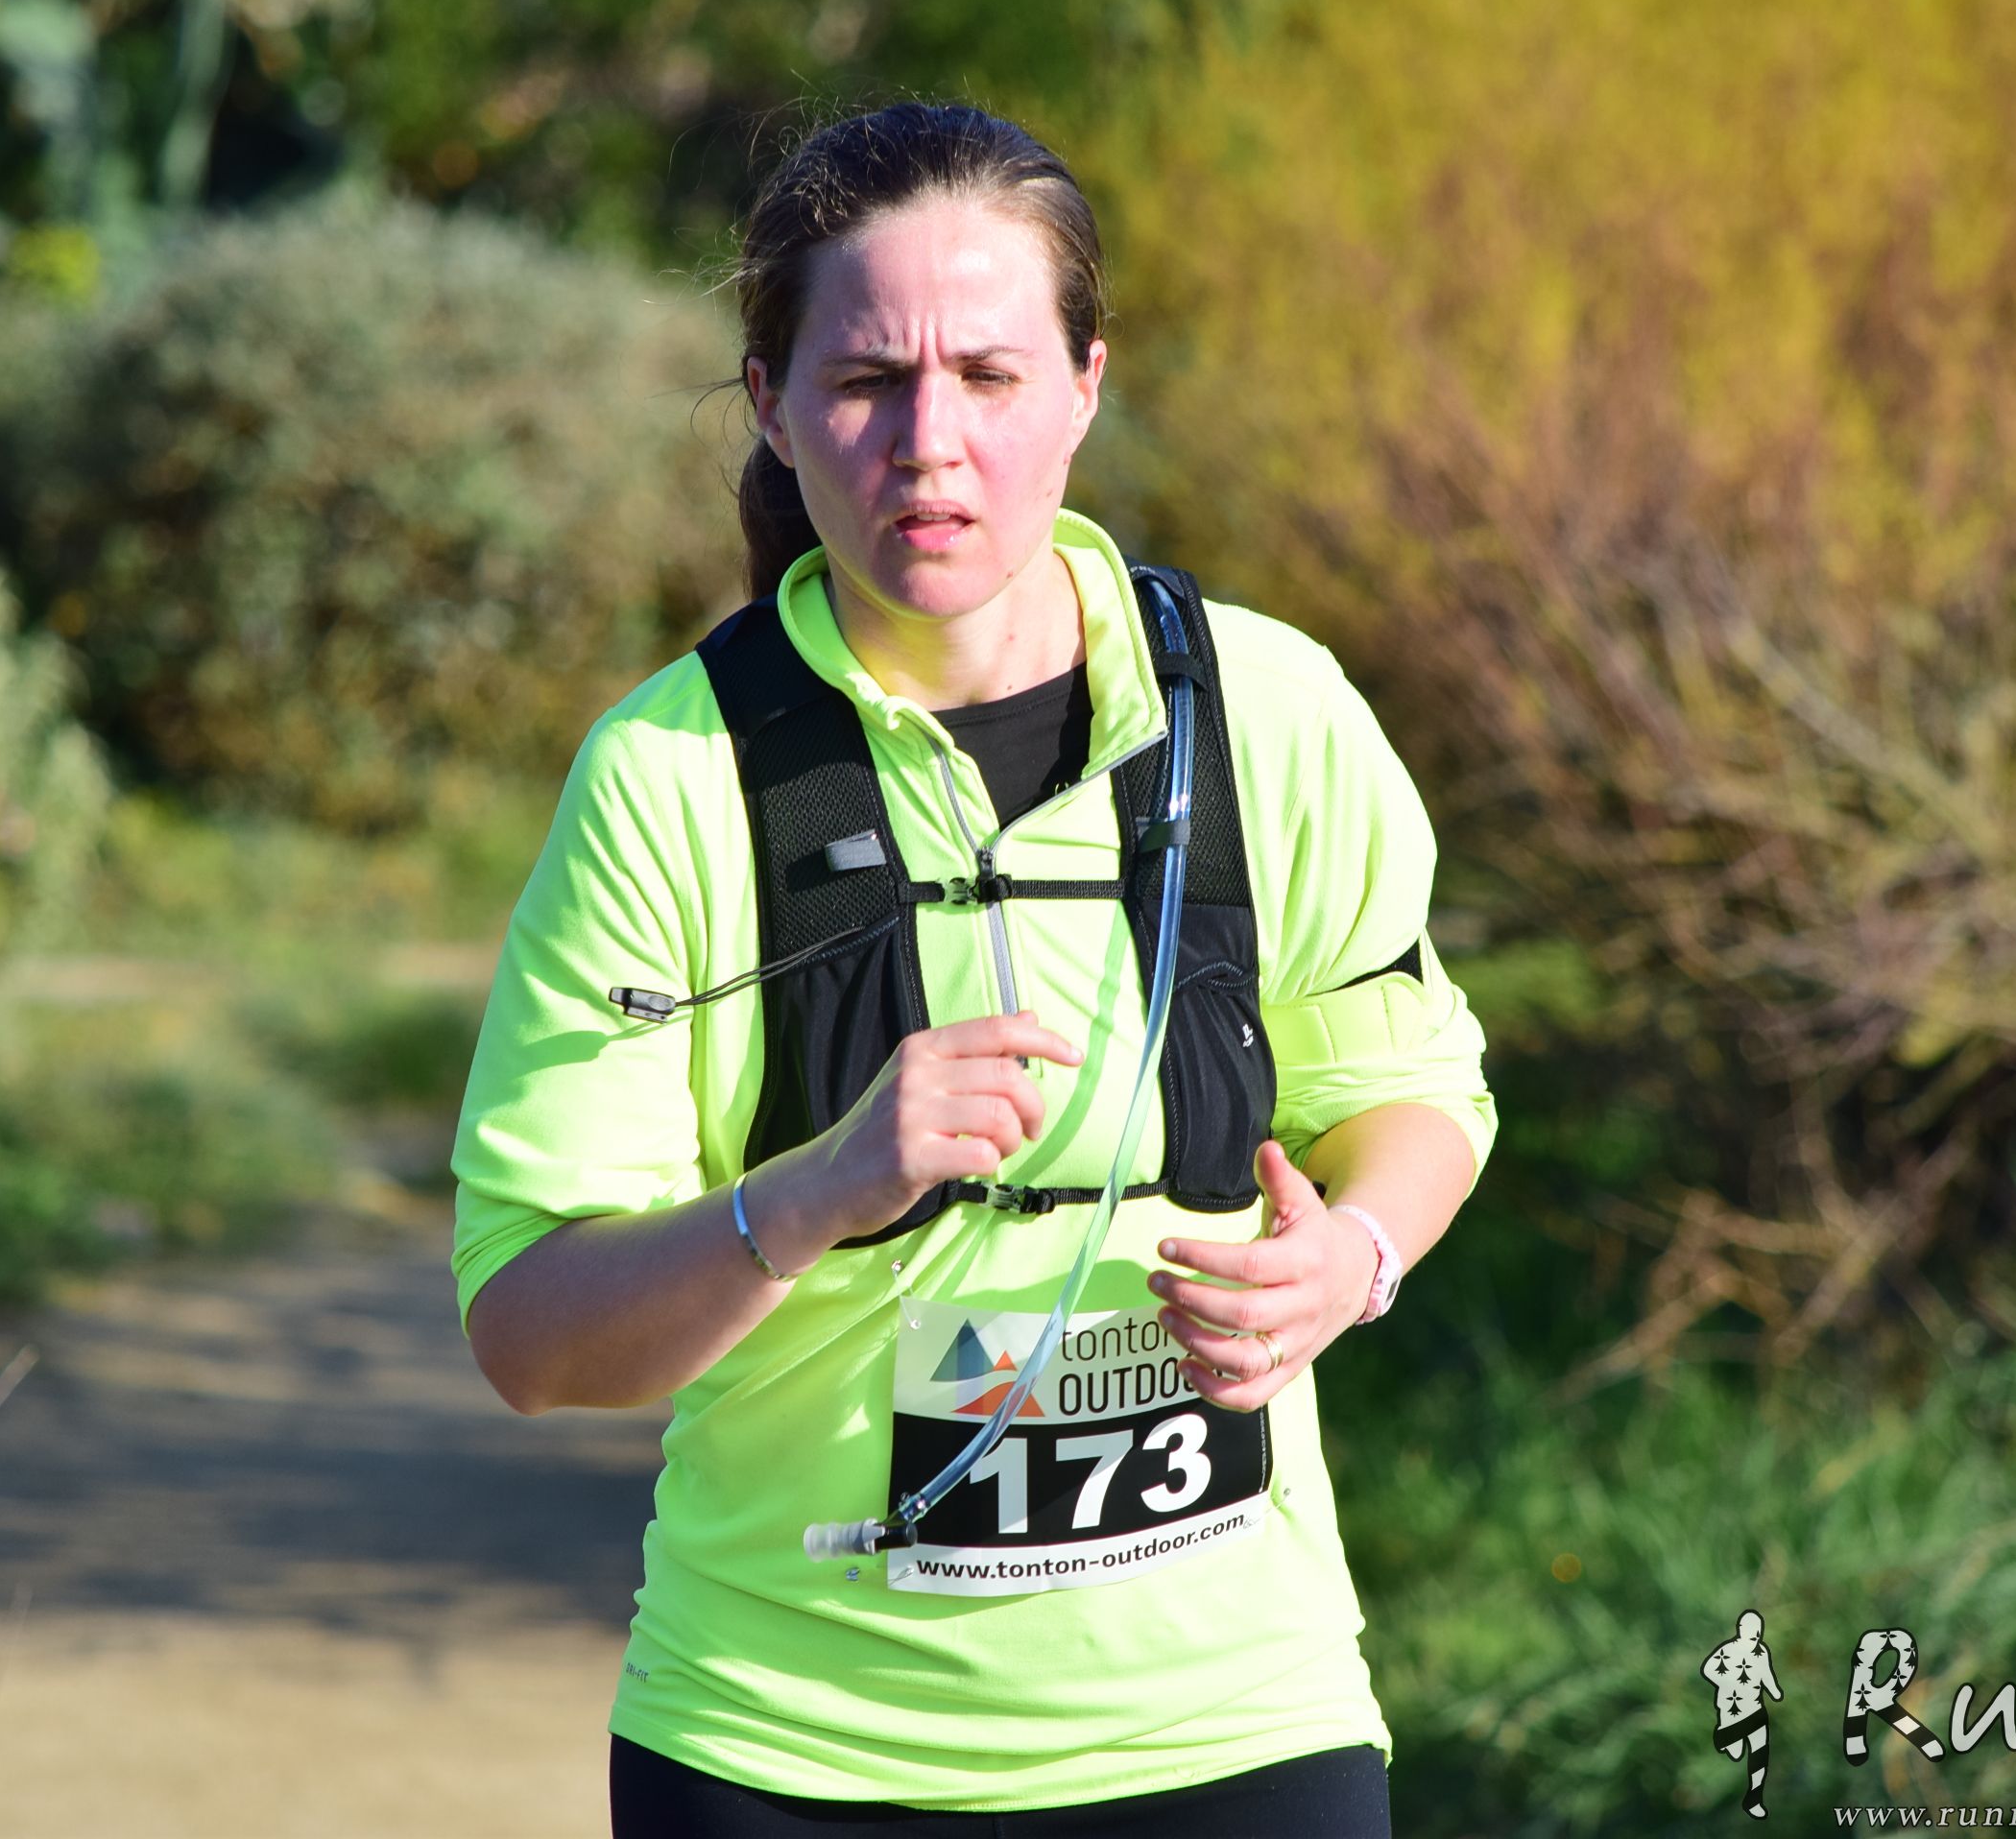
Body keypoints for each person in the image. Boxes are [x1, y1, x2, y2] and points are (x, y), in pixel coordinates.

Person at [451, 101, 1499, 1838]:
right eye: (867, 380)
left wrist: (1356, 1258)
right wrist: (819, 1189)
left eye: (991, 377)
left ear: (1086, 385)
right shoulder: (673, 777)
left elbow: (1414, 1090)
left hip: (1239, 1729)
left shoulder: (1267, 712)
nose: (929, 444)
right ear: (774, 405)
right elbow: (532, 1337)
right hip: (786, 1753)